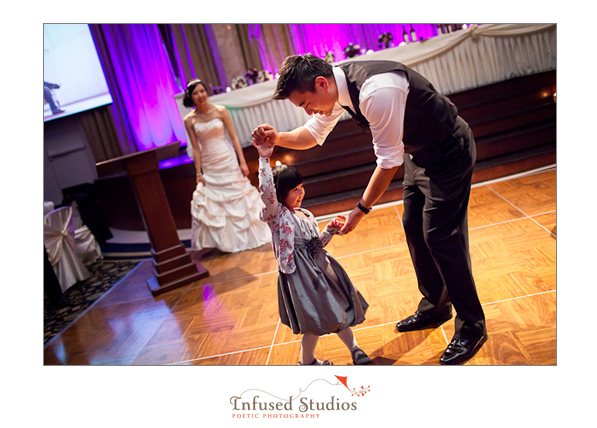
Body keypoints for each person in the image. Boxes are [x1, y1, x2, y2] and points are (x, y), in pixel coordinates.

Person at [251, 54, 486, 365]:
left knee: (441, 236)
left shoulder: (376, 90)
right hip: (418, 153)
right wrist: (277, 139)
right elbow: (312, 134)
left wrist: (360, 209)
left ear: (321, 84)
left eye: (305, 103)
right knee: (414, 227)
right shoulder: (335, 88)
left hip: (448, 150)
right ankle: (436, 307)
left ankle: (472, 326)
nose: (307, 111)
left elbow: (388, 162)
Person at [255, 138, 371, 365]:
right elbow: (266, 190)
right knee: (315, 321)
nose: (300, 193)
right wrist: (263, 158)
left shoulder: (305, 214)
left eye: (301, 188)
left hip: (323, 270)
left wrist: (328, 230)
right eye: (293, 190)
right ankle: (307, 362)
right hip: (301, 277)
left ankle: (355, 348)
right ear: (278, 194)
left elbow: (316, 245)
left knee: (340, 309)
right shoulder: (276, 215)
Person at [183, 79, 270, 253]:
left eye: (202, 91)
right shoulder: (189, 120)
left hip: (226, 157)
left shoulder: (221, 111)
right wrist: (198, 172)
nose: (200, 95)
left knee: (238, 195)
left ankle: (252, 234)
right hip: (209, 160)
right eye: (196, 93)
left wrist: (242, 162)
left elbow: (234, 137)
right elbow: (195, 147)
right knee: (215, 199)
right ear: (191, 97)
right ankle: (225, 241)